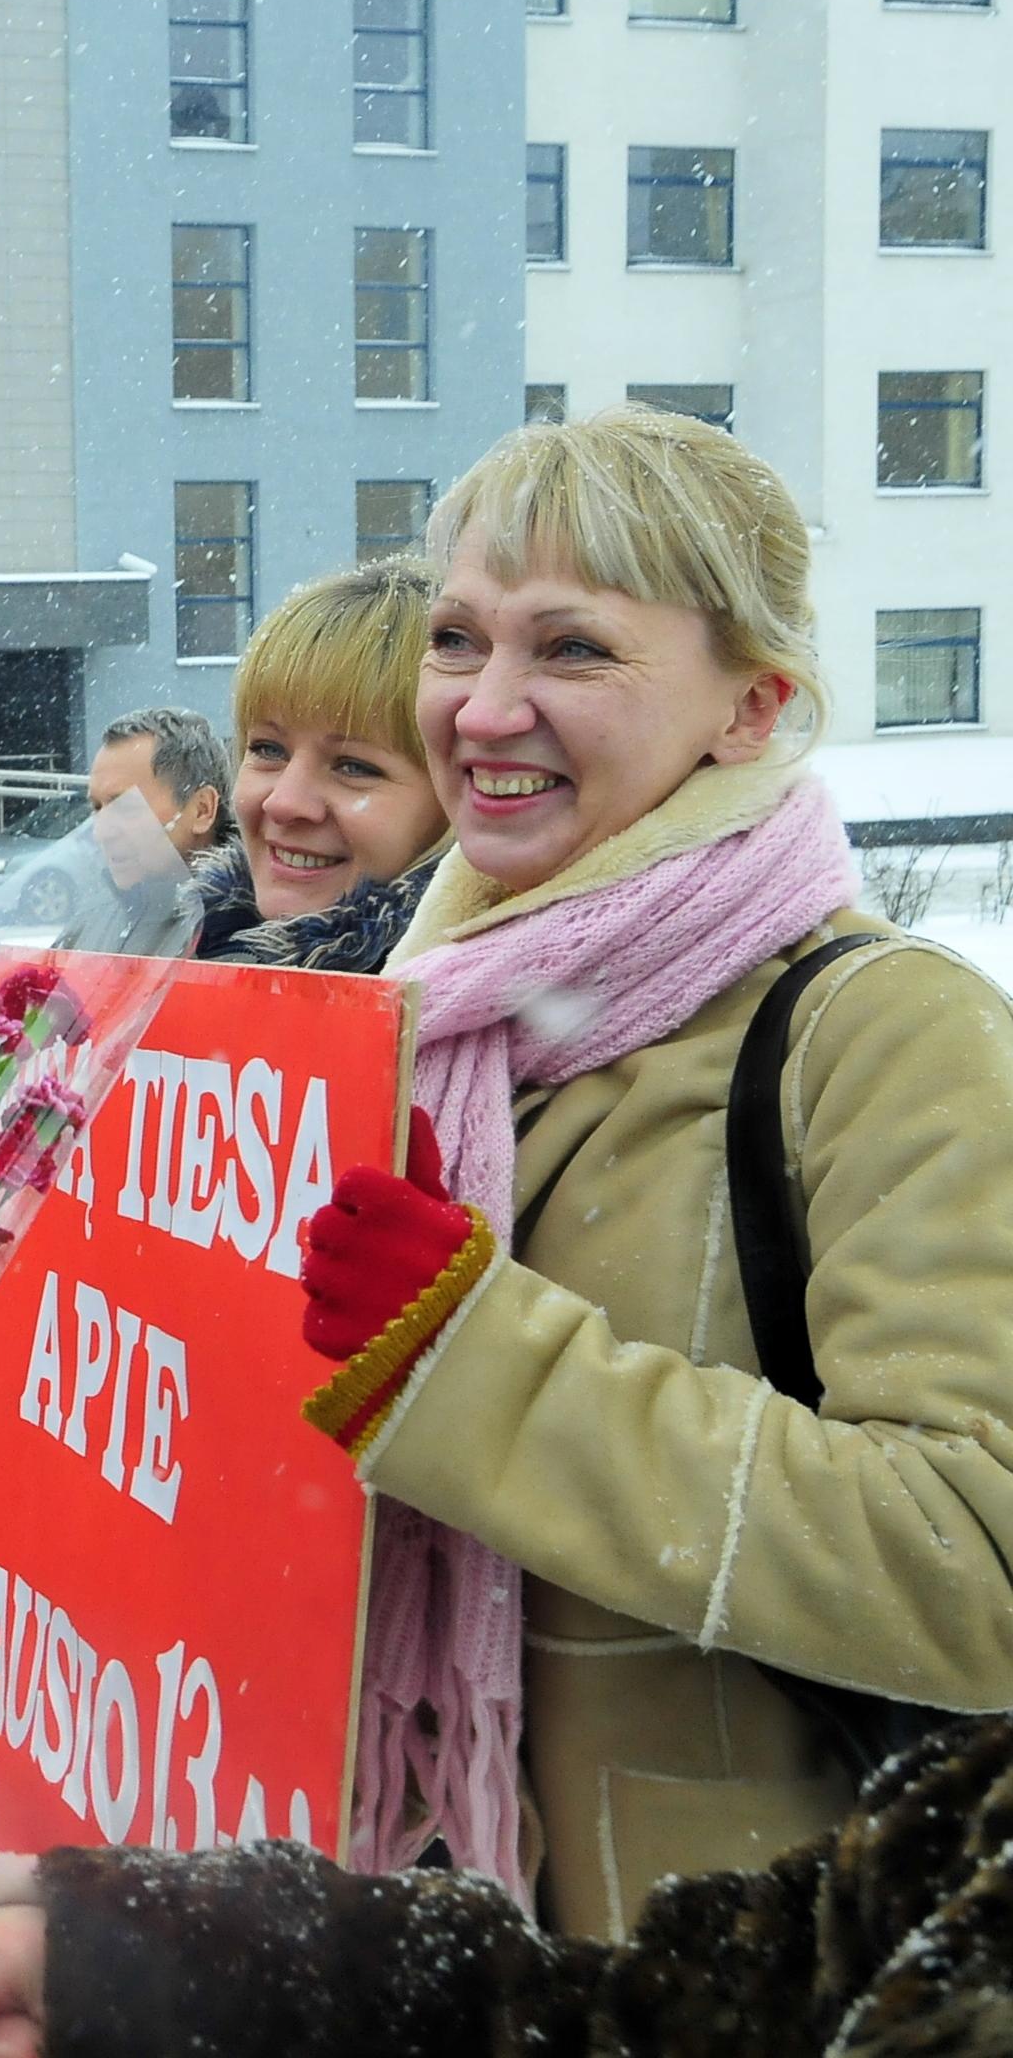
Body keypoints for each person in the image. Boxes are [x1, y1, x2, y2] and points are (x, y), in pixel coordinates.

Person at [268, 405, 1013, 1938]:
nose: (481, 710)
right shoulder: (424, 1016)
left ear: (752, 708)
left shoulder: (879, 1034)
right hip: (427, 1945)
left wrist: (473, 1368)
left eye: (575, 652)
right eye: (460, 640)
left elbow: (978, 1558)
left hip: (724, 1973)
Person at [0, 1713, 1013, 2058]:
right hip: (467, 1807)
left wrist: (469, 1352)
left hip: (604, 1798)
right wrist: (199, 1973)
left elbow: (958, 1538)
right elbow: (654, 2018)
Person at [187, 558, 450, 971]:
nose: (283, 803)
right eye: (268, 750)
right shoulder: (187, 949)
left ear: (456, 797)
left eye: (354, 766)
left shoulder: (459, 1021)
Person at [84, 707, 228, 863]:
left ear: (202, 809)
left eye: (125, 807)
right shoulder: (90, 884)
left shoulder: (253, 886)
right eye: (96, 808)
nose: (100, 833)